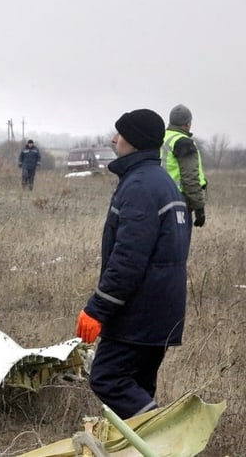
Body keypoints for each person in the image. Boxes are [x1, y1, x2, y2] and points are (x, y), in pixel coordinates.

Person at [75, 109, 191, 419]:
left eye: (120, 134)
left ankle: (162, 437)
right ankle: (141, 447)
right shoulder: (164, 182)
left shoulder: (140, 186)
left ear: (134, 142)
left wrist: (97, 309)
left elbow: (128, 259)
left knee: (108, 378)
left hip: (140, 314)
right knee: (137, 384)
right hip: (163, 311)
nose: (114, 139)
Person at [162, 104, 207, 228]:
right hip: (178, 199)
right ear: (187, 124)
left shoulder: (161, 138)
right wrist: (199, 207)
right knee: (178, 243)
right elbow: (190, 177)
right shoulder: (183, 142)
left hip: (158, 196)